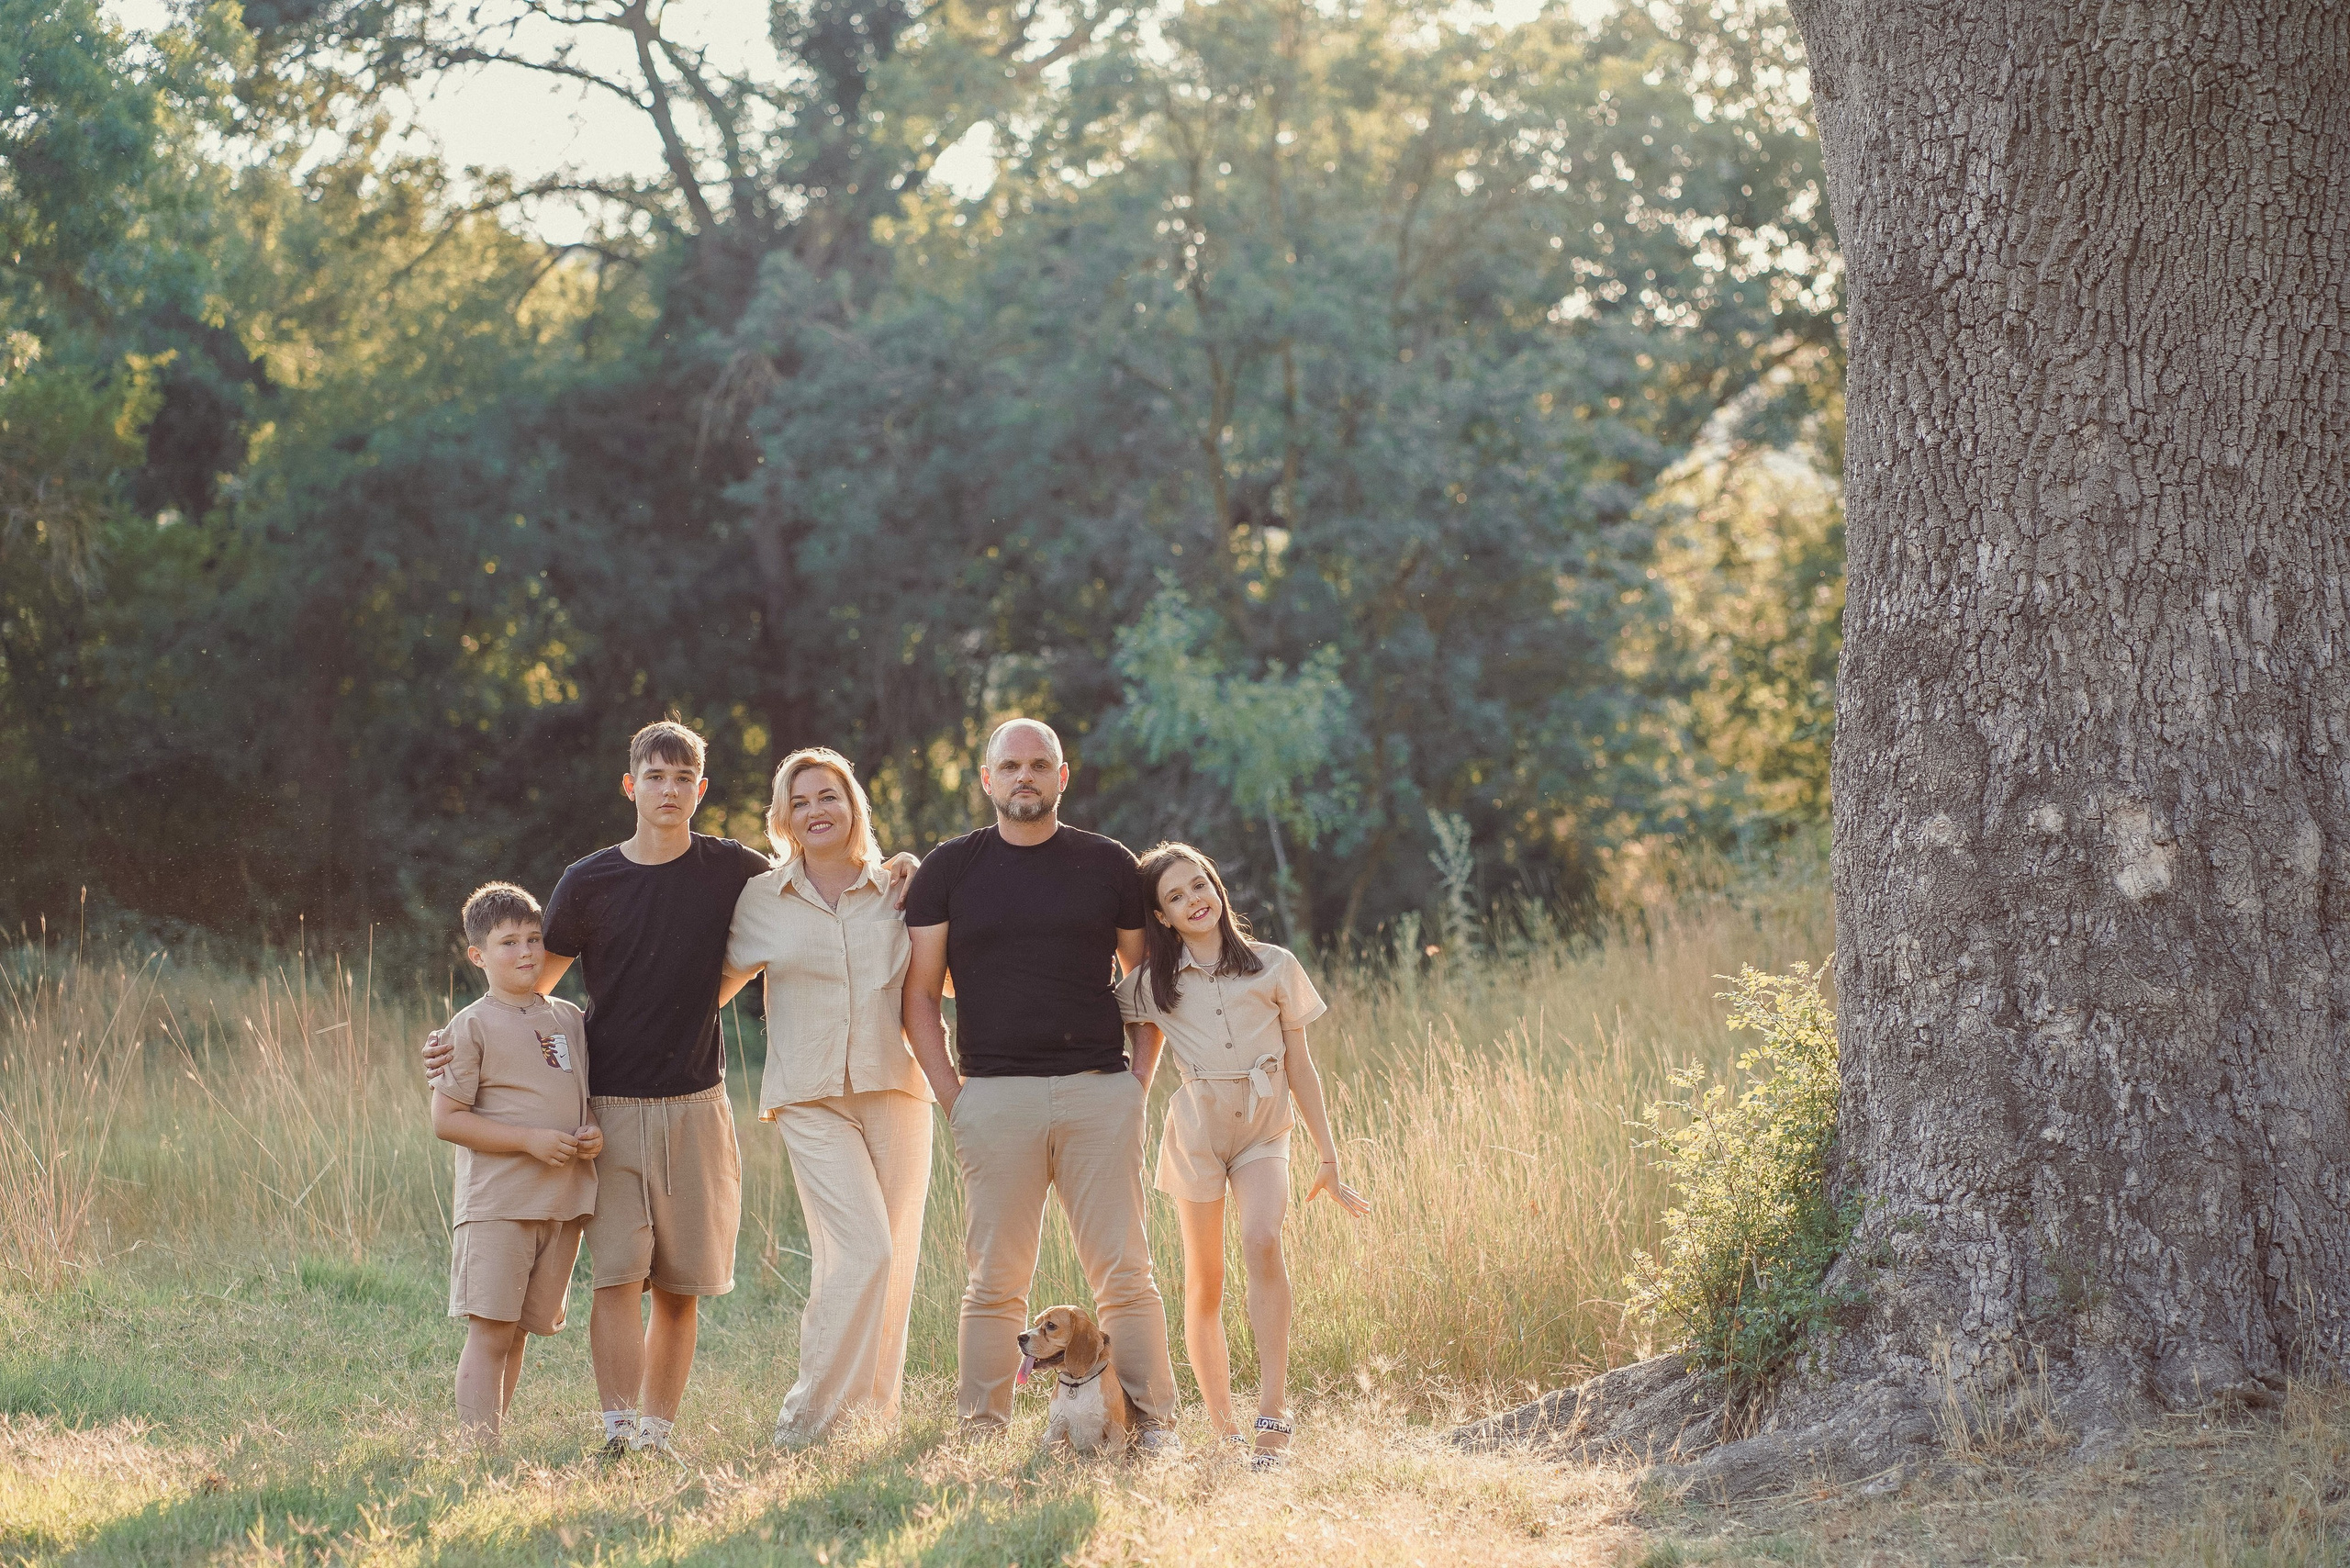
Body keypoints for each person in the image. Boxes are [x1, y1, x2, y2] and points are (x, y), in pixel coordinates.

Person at [423, 719, 915, 1458]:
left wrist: (899, 865)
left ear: (701, 789)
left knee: (681, 1289)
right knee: (618, 1278)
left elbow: (813, 874)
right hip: (611, 1108)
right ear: (631, 786)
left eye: (684, 778)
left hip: (697, 1102)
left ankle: (657, 1436)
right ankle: (617, 1435)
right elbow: (528, 990)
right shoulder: (589, 881)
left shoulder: (732, 872)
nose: (670, 790)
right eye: (655, 777)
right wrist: (457, 1039)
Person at [901, 717, 1181, 1451]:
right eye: (1010, 765)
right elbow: (920, 997)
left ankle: (1153, 1427)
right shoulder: (950, 869)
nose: (1025, 776)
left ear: (1063, 775)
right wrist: (953, 1097)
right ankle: (982, 1433)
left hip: (1099, 1090)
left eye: (1039, 764)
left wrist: (1137, 1085)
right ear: (988, 779)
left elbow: (1144, 979)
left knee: (1126, 1274)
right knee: (995, 1282)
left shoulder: (1108, 864)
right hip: (993, 1098)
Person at [1120, 842, 1369, 1468]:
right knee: (1205, 1280)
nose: (1192, 900)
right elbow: (1078, 999)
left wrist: (1329, 1158)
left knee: (1262, 1239)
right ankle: (1224, 1428)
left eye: (1199, 885)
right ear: (1163, 917)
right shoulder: (1151, 984)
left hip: (1264, 1129)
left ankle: (1272, 1416)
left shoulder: (1274, 965)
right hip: (1197, 1134)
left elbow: (1302, 1067)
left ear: (1217, 886)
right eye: (1174, 897)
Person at [719, 747, 932, 1448]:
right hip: (809, 1096)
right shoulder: (761, 899)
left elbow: (948, 981)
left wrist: (929, 884)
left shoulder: (901, 889)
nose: (816, 811)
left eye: (828, 797)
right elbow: (707, 992)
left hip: (896, 1086)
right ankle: (806, 1422)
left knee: (892, 1260)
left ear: (853, 808)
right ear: (783, 817)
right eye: (800, 800)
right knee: (862, 1249)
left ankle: (869, 1422)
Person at [428, 881, 602, 1445]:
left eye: (534, 939)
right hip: (499, 1203)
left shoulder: (569, 1019)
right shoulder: (470, 1025)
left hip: (560, 1202)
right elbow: (447, 1120)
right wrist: (528, 1141)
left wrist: (590, 1132)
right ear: (477, 955)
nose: (526, 952)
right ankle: (480, 1452)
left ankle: (493, 1437)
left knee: (522, 1329)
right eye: (508, 943)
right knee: (491, 1328)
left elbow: (582, 1095)